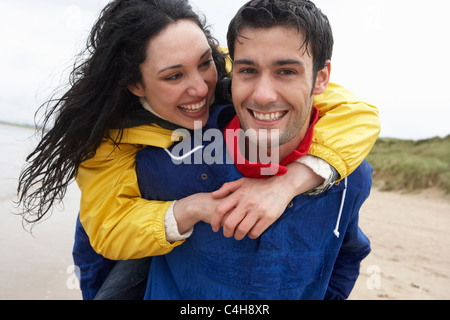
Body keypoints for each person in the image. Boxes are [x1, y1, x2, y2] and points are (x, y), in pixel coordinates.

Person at [15, 0, 379, 299]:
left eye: (206, 64)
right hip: (146, 220)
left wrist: (290, 181)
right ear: (134, 84)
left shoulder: (238, 70)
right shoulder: (113, 142)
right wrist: (190, 209)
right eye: (174, 76)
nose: (202, 87)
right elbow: (106, 231)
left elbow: (355, 112)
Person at [136, 0, 372, 300]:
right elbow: (102, 248)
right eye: (247, 70)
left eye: (286, 71)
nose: (262, 96)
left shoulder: (352, 176)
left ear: (321, 78)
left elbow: (347, 254)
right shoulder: (163, 159)